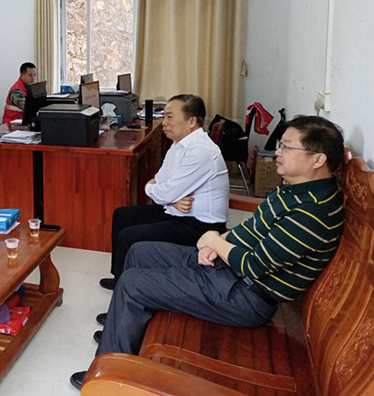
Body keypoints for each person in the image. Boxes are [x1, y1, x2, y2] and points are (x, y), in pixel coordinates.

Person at [70, 115, 345, 390]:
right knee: (141, 251)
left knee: (133, 284)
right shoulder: (296, 190)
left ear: (318, 159)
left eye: (286, 147)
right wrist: (217, 242)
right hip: (230, 272)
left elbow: (254, 266)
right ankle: (123, 330)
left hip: (244, 296)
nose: (276, 152)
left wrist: (213, 240)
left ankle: (108, 375)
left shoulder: (313, 212)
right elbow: (251, 229)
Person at [98, 94, 229, 294]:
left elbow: (163, 190)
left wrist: (164, 195)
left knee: (129, 236)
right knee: (122, 215)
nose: (164, 122)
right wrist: (170, 199)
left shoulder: (201, 150)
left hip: (202, 226)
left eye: (169, 117)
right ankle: (120, 277)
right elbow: (159, 181)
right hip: (178, 212)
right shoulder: (178, 144)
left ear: (192, 121)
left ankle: (127, 290)